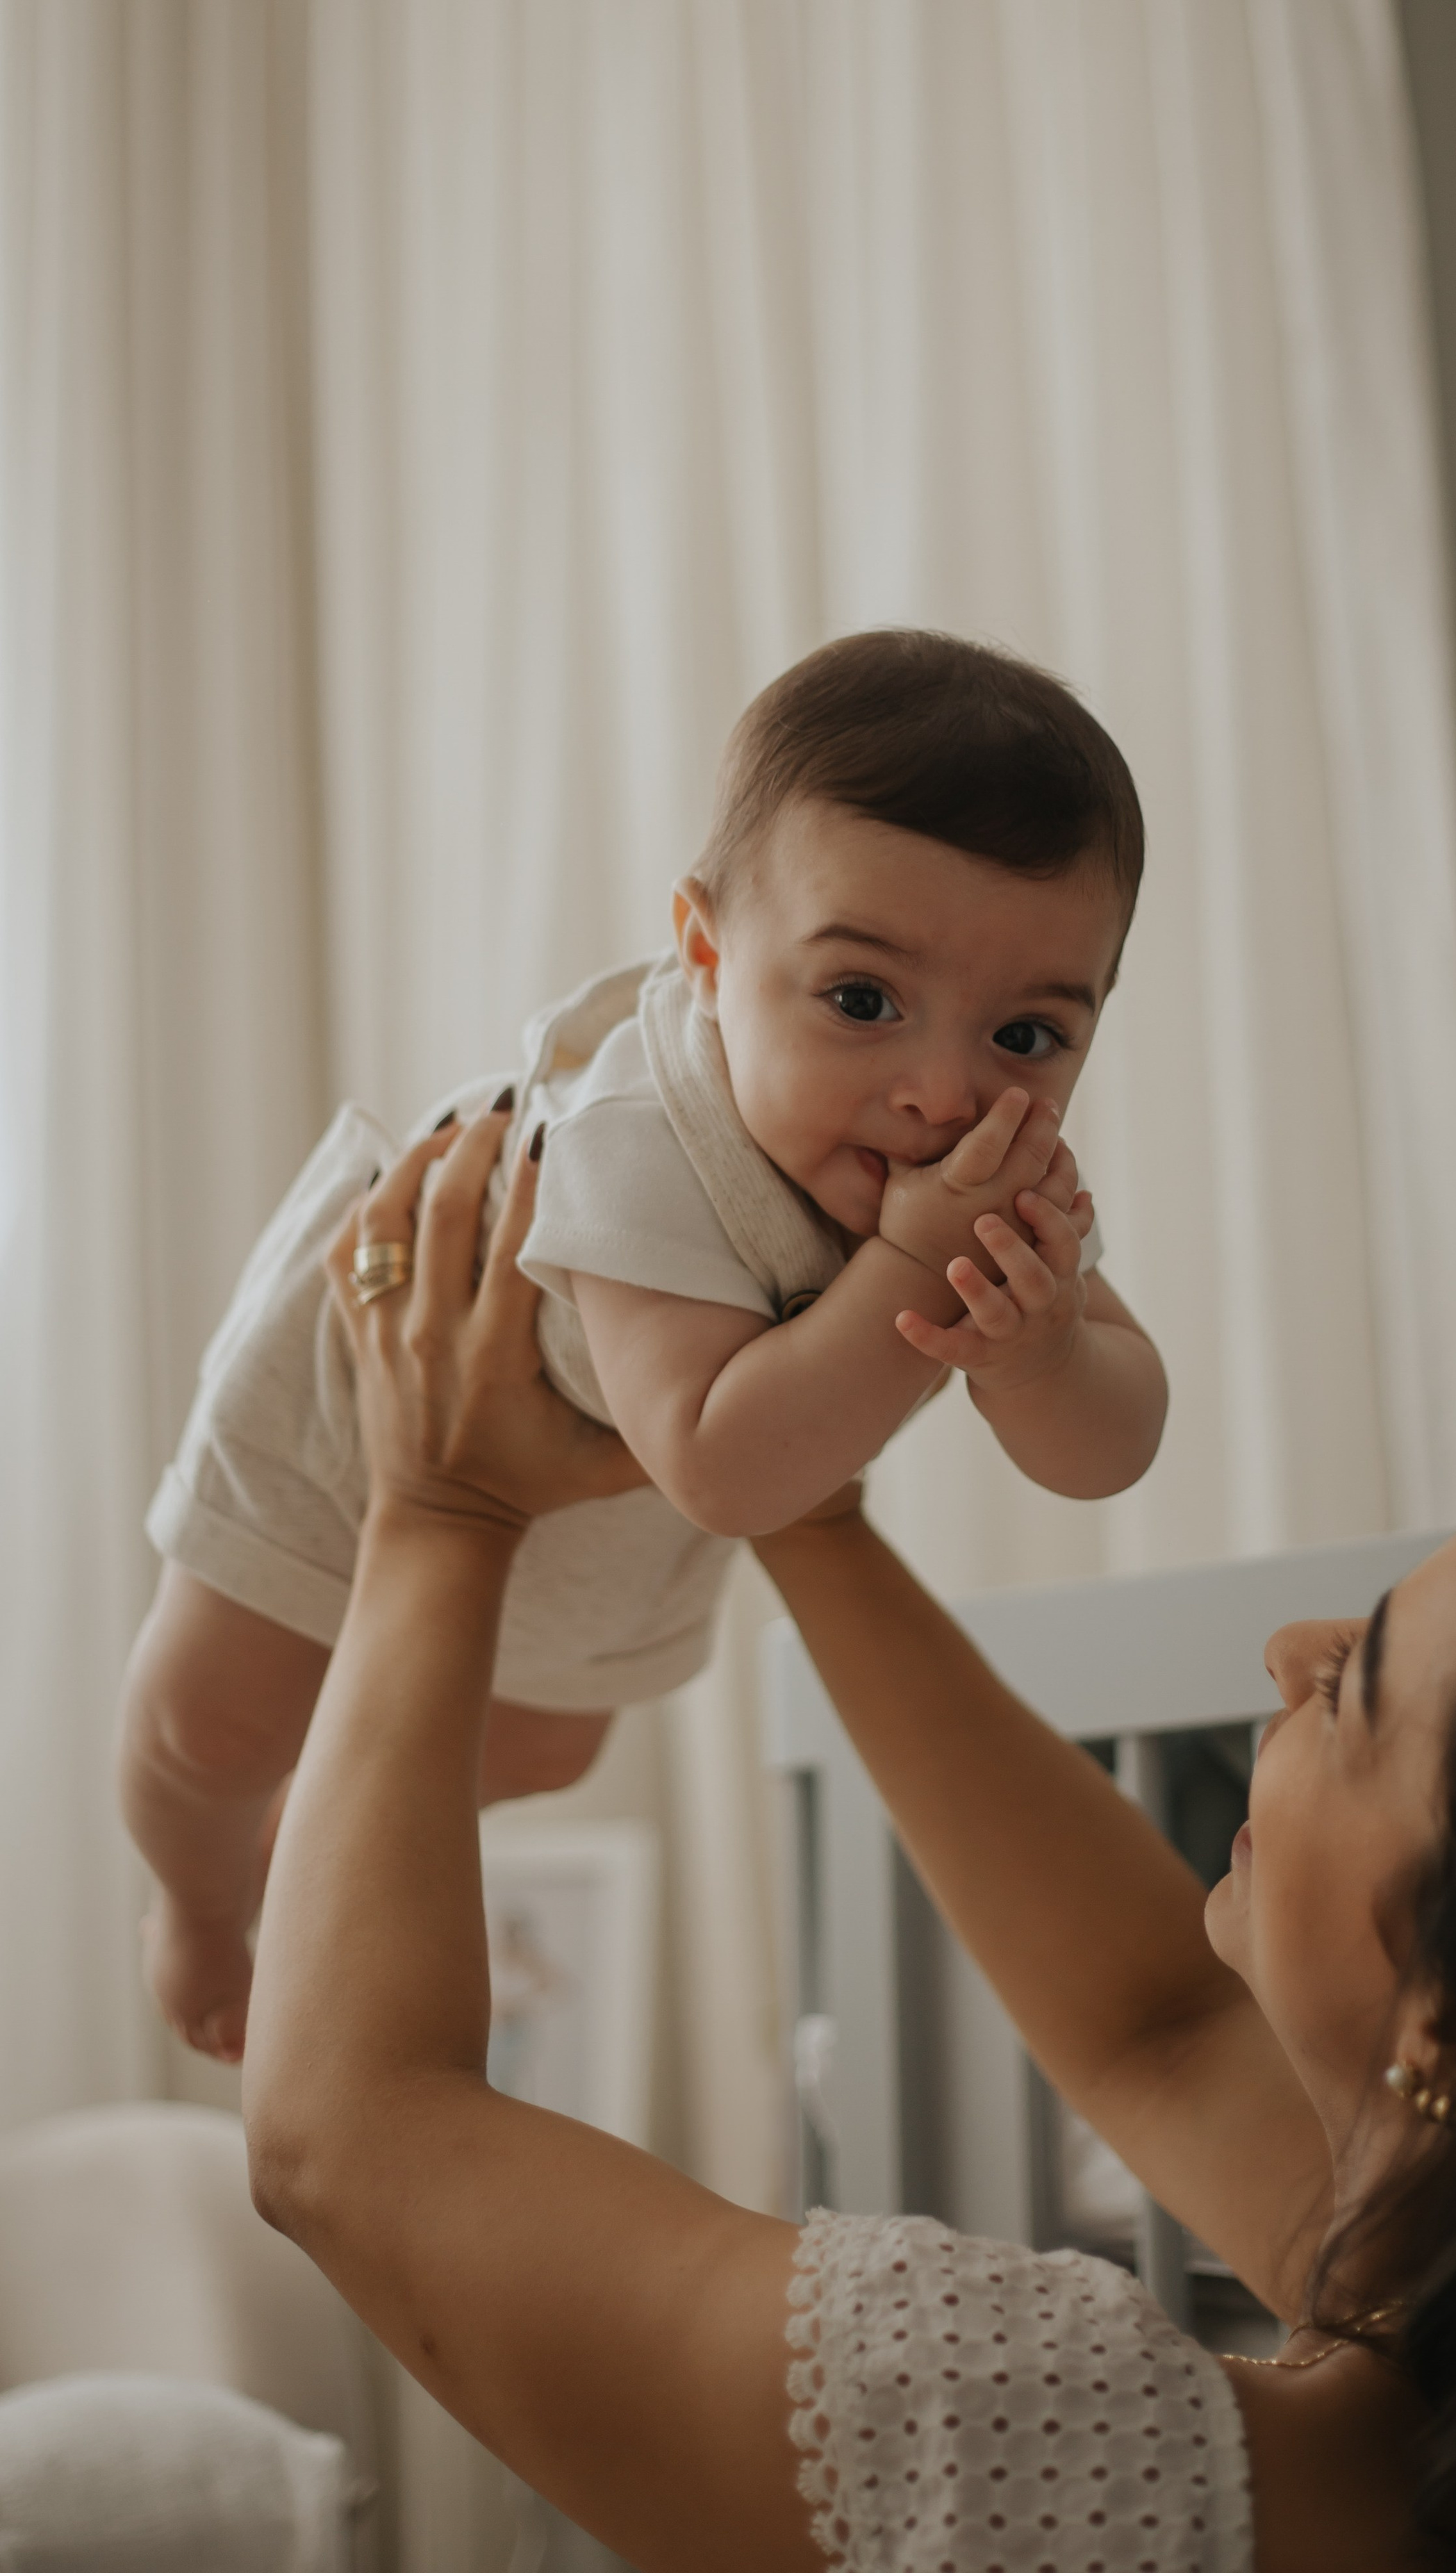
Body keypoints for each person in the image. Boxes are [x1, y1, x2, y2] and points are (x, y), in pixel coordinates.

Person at [243, 1104, 1456, 2570]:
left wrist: (438, 1508)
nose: (1286, 1652)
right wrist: (789, 1490)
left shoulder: (1072, 2453)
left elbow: (348, 2131)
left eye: (1357, 1682)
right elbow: (1154, 2030)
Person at [121, 628, 1168, 2062]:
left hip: (612, 1506)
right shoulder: (639, 1132)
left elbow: (1111, 1448)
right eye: (860, 1002)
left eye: (1028, 1033)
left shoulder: (1000, 1174)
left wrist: (1042, 1354)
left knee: (553, 1743)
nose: (942, 1090)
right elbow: (729, 1472)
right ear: (704, 955)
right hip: (373, 1416)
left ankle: (318, 1821)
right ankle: (192, 1891)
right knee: (205, 1726)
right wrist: (920, 1269)